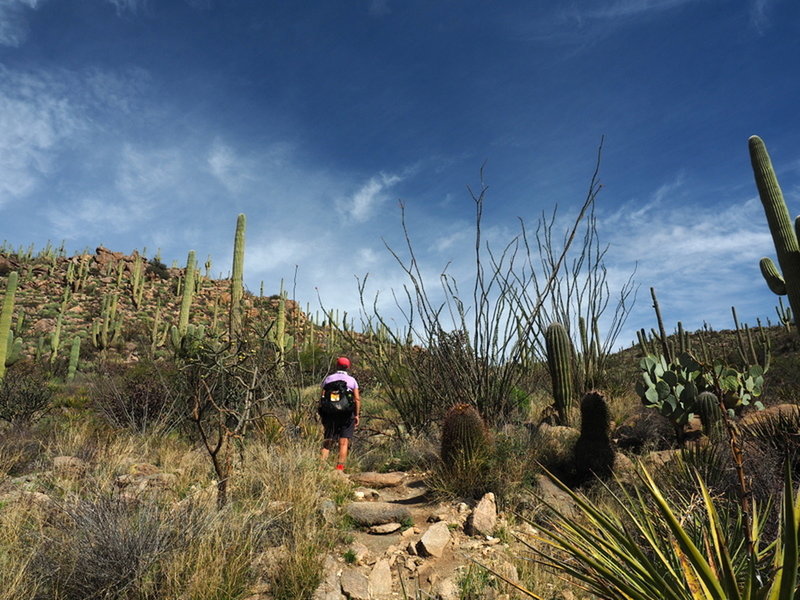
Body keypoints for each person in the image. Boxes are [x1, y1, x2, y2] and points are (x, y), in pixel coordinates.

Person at [319, 356, 361, 471]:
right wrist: (356, 414)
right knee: (343, 442)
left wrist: (323, 413)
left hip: (330, 414)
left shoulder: (328, 379)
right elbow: (357, 399)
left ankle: (321, 468)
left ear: (336, 366)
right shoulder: (352, 380)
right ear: (348, 367)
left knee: (328, 441)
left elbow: (322, 397)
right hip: (347, 414)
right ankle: (339, 469)